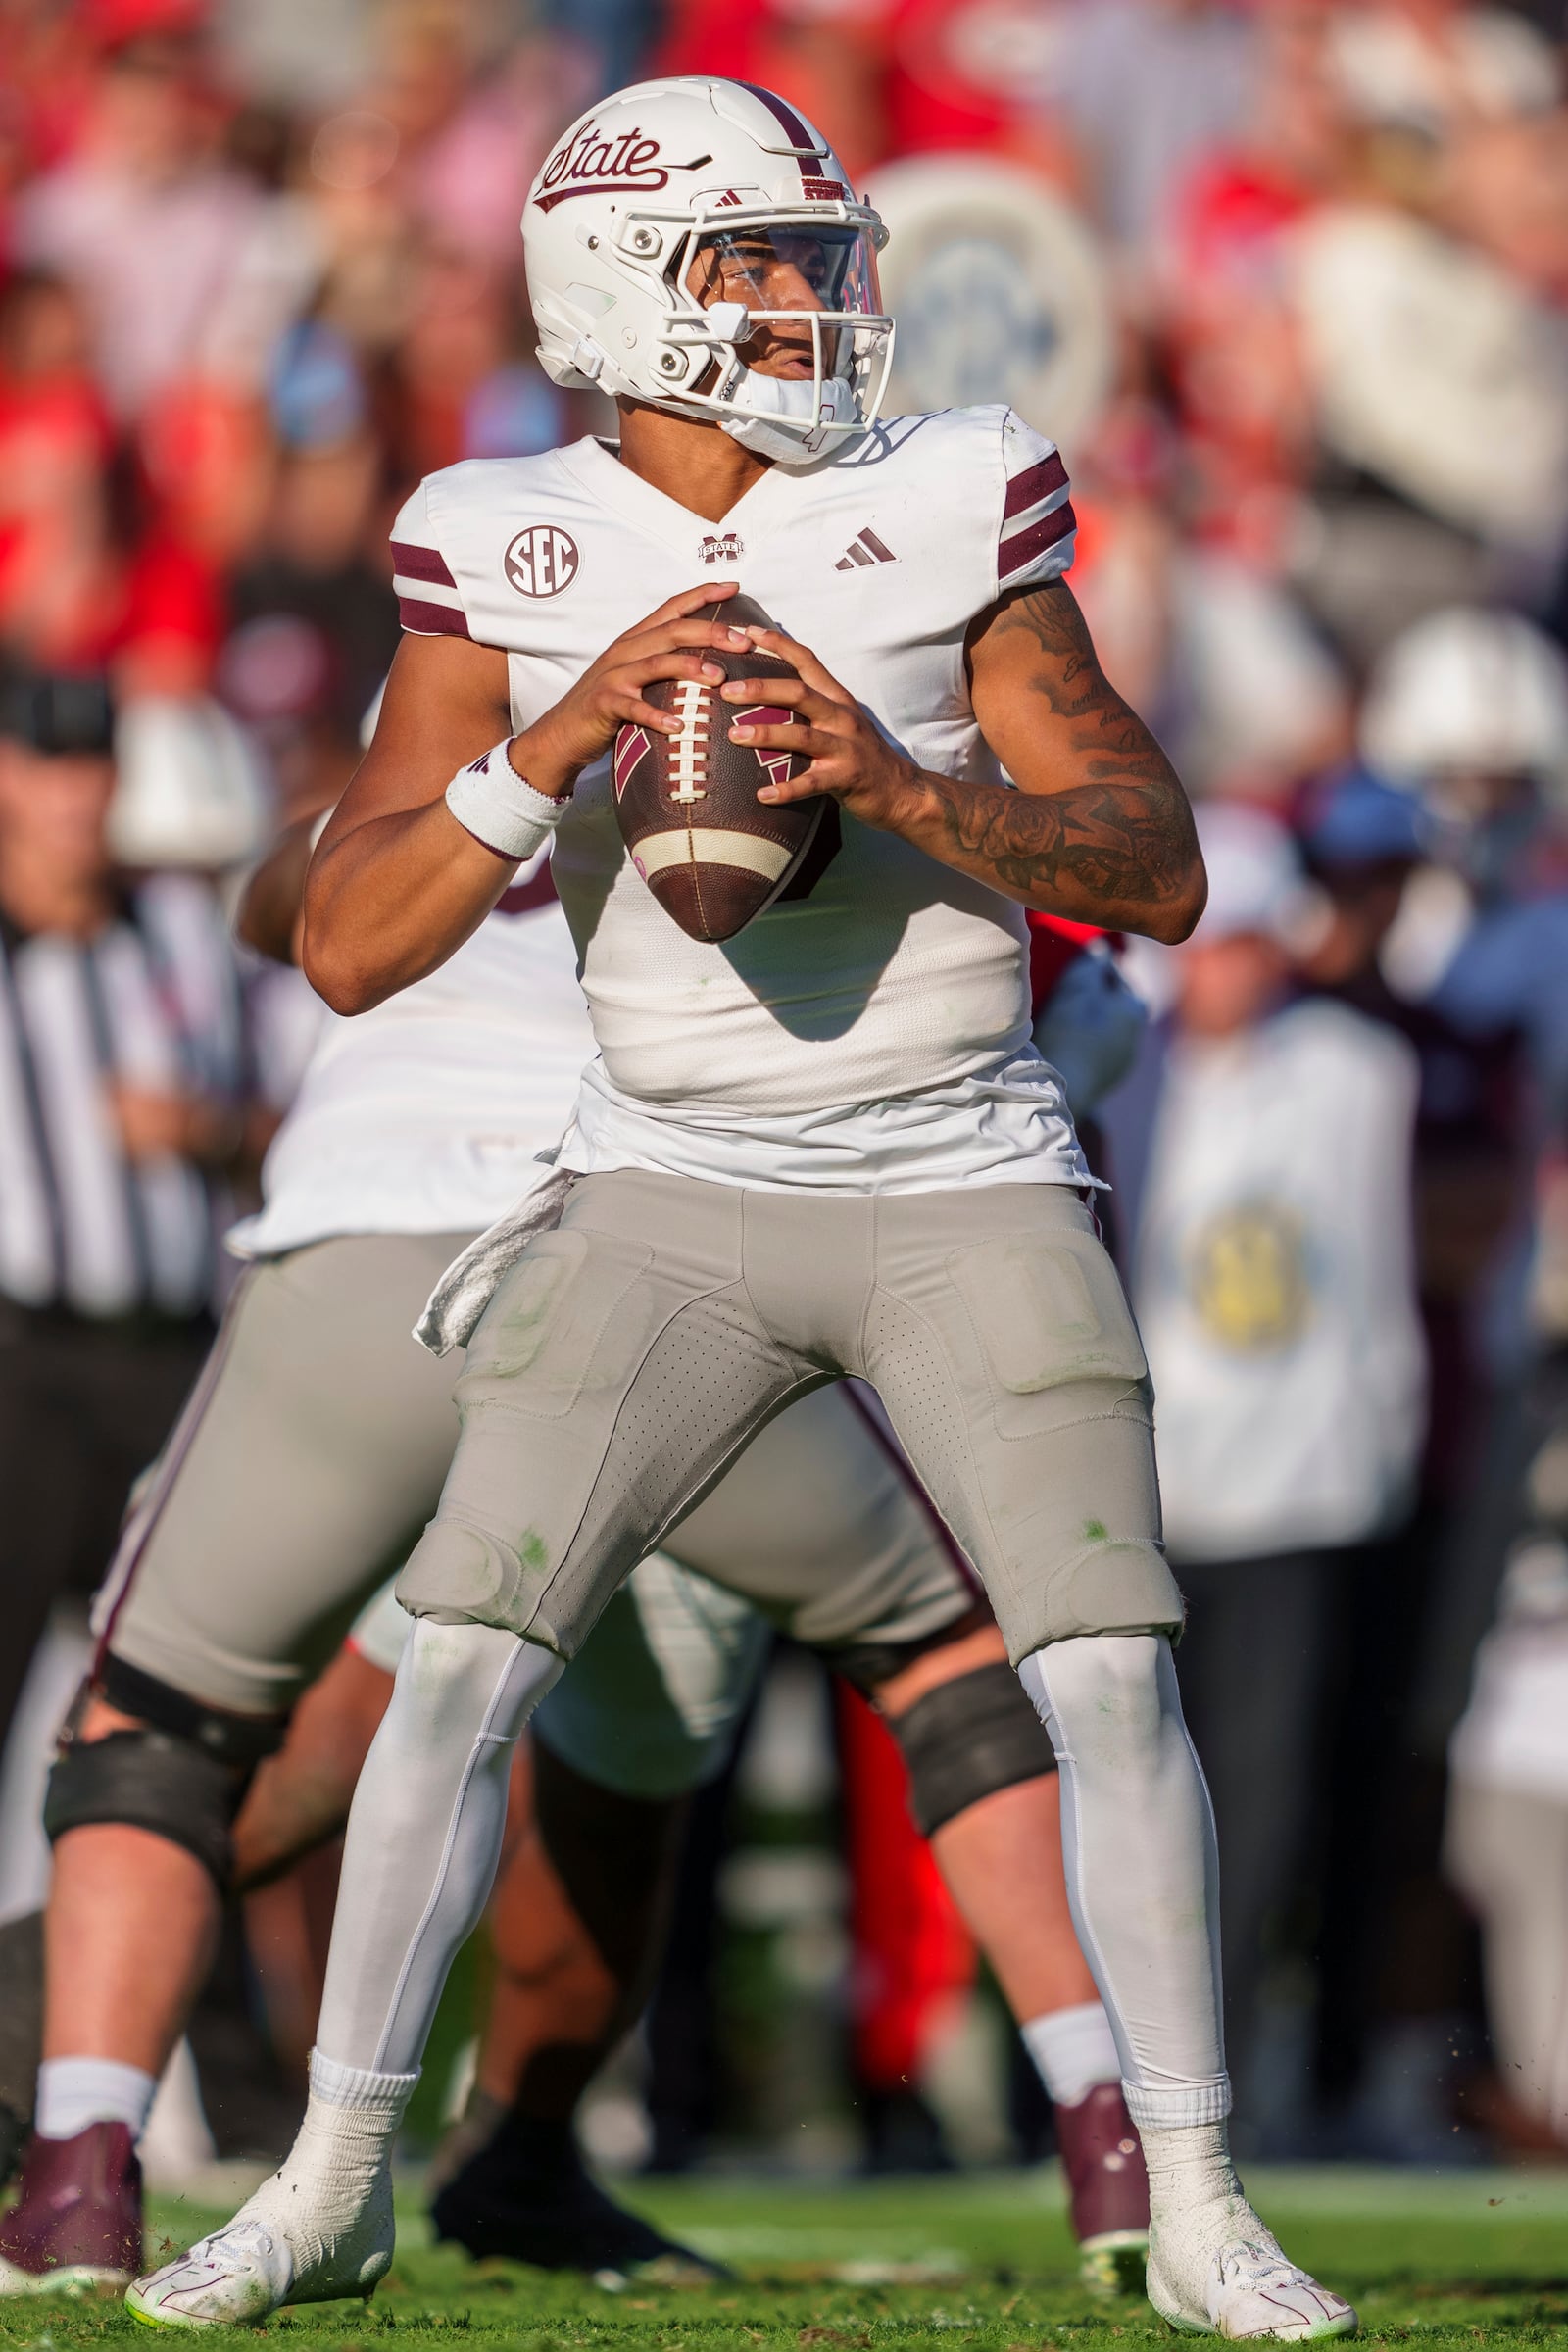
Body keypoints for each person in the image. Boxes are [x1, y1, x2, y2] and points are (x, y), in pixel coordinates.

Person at [128, 77, 1353, 2338]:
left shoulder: (949, 488)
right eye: (762, 262)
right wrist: (557, 731)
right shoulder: (499, 530)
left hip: (957, 1167)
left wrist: (894, 779)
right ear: (623, 285)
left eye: (816, 255)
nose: (815, 300)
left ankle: (1194, 2193)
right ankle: (327, 2172)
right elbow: (349, 941)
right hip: (658, 1186)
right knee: (461, 1670)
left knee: (1102, 1668)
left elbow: (1156, 866)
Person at [0, 801, 1149, 2294]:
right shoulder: (816, 724)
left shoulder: (465, 712)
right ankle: (1111, 2127)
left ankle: (92, 2162)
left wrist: (368, 823)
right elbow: (1070, 1030)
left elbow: (288, 913)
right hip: (661, 1275)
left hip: (378, 1246)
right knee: (943, 1669)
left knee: (176, 1728)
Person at [1102, 802, 1426, 2123]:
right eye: (1203, 943)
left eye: (1243, 941)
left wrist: (1382, 1441)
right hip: (1146, 1492)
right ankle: (1099, 2074)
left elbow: (1374, 1274)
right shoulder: (1115, 1068)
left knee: (1271, 1801)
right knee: (1126, 1789)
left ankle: (1225, 2084)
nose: (1224, 970)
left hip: (1295, 1491)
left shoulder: (1358, 1074)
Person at [0, 669, 262, 1761]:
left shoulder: (179, 925)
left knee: (182, 1708)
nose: (70, 793)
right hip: (24, 1367)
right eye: (43, 763)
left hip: (174, 1366)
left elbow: (281, 1120)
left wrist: (205, 1130)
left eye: (89, 763)